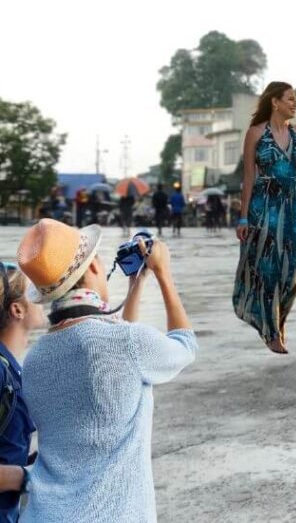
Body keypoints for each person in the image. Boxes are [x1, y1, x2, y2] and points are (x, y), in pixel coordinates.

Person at [16, 218, 196, 522]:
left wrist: (135, 287)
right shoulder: (126, 344)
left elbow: (110, 354)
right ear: (96, 268)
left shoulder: (34, 361)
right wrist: (164, 275)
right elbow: (185, 345)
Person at [233, 82, 296, 355]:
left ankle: (278, 320)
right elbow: (248, 177)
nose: (295, 103)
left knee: (290, 276)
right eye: (290, 99)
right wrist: (243, 219)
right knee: (266, 271)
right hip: (262, 208)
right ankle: (271, 331)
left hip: (291, 210)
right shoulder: (255, 133)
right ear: (275, 102)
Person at [0, 263, 47, 521]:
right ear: (17, 309)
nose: (42, 297)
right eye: (33, 293)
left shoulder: (12, 368)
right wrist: (27, 476)